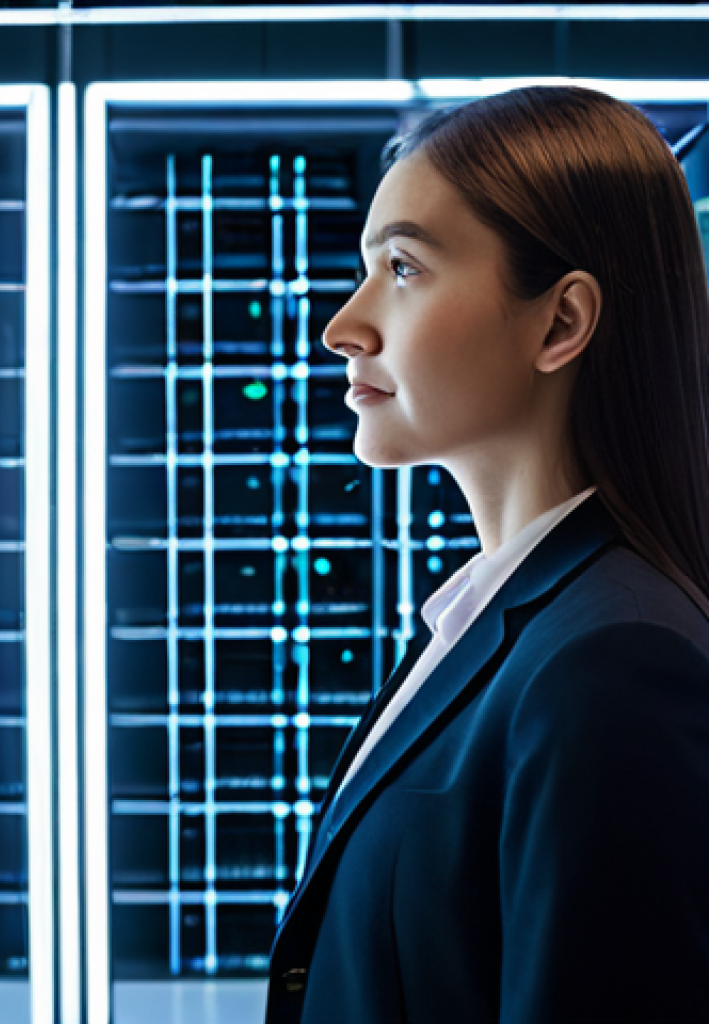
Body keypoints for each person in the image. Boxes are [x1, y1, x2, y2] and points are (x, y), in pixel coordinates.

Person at [265, 85, 709, 1024]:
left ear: (560, 323)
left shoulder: (613, 661)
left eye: (403, 268)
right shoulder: (497, 625)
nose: (343, 326)